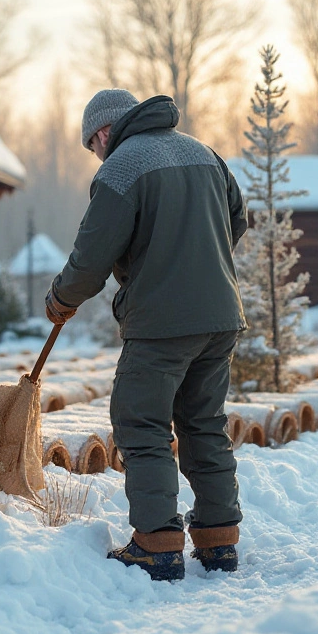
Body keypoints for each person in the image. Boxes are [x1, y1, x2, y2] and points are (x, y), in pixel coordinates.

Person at [46, 89, 248, 581]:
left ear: (103, 132)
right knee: (203, 423)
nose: (96, 154)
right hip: (220, 316)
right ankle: (219, 541)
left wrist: (60, 299)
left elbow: (91, 257)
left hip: (161, 324)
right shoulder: (205, 154)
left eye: (92, 145)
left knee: (141, 425)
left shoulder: (120, 169)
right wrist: (196, 260)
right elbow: (237, 221)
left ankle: (156, 545)